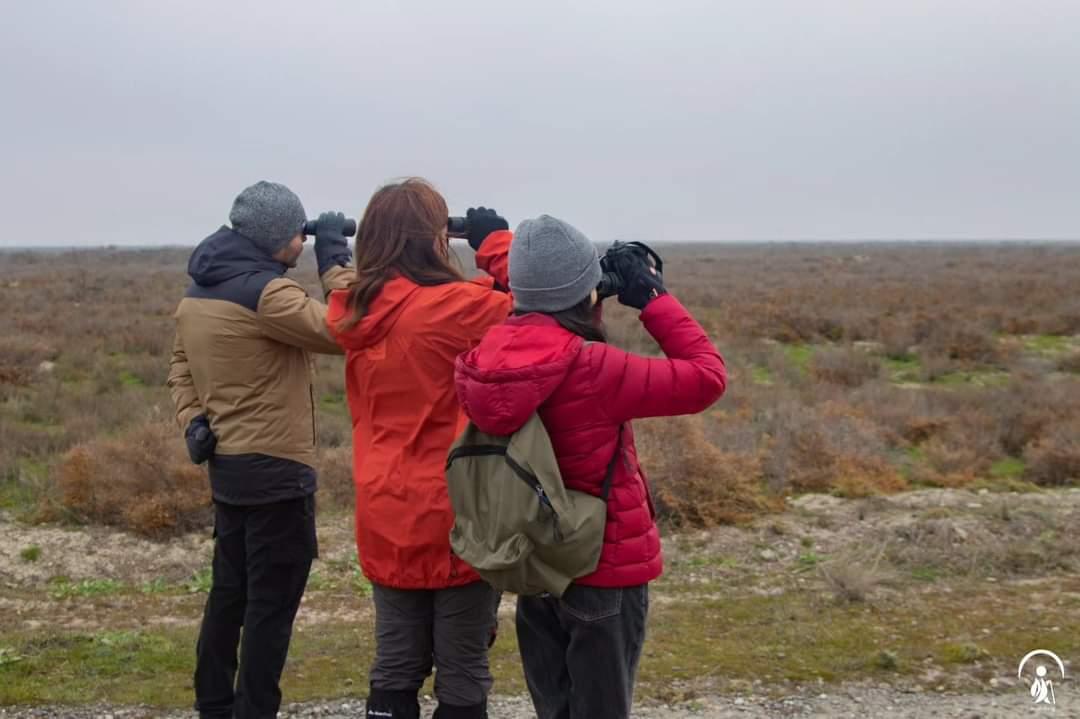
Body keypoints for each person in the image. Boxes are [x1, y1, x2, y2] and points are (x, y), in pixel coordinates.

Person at [454, 215, 728, 719]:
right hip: (603, 568)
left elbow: (538, 296)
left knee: (554, 709)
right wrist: (652, 298)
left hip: (534, 563)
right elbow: (707, 377)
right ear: (586, 290)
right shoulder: (593, 367)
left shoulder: (485, 358)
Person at [324, 178, 512, 719]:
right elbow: (552, 304)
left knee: (395, 664)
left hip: (385, 508)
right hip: (457, 510)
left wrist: (333, 251)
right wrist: (494, 241)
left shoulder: (353, 310)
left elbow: (354, 285)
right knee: (463, 669)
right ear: (433, 238)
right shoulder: (456, 308)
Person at [167, 180, 354, 719]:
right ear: (277, 239)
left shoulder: (199, 290)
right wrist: (336, 258)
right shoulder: (267, 294)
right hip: (277, 472)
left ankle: (215, 704)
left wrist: (194, 422)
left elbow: (179, 367)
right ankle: (255, 710)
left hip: (227, 465)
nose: (303, 242)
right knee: (271, 608)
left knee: (229, 595)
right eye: (300, 234)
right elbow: (346, 328)